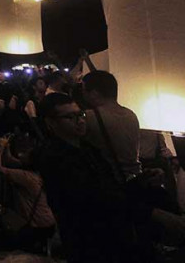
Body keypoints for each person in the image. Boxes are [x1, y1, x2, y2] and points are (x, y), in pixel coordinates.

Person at [35, 93, 185, 262]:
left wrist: (141, 180)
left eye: (80, 114)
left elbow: (111, 189)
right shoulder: (55, 158)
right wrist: (153, 213)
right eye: (70, 117)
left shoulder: (87, 148)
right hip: (90, 241)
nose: (80, 121)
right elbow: (95, 200)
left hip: (113, 233)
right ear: (51, 123)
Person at [0, 133, 55, 252]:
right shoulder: (36, 171)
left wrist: (0, 146)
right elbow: (10, 160)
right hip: (48, 223)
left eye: (26, 153)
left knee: (2, 244)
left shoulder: (26, 177)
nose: (22, 154)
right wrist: (7, 146)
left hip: (37, 226)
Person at [81, 71, 142, 181]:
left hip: (109, 178)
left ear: (94, 93)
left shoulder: (90, 116)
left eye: (84, 90)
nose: (83, 94)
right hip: (134, 177)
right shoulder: (131, 114)